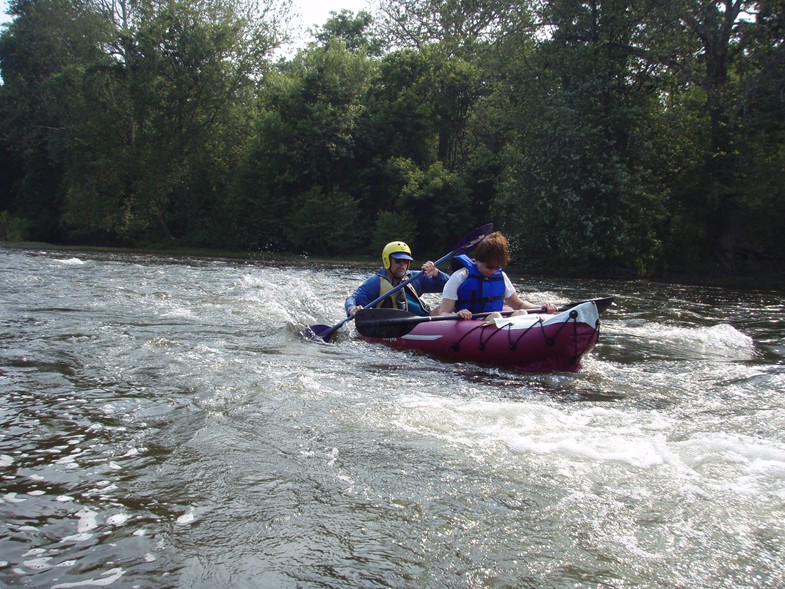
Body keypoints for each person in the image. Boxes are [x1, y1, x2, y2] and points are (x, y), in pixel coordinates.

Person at [431, 231, 557, 320]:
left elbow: (518, 305)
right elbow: (444, 312)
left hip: (496, 322)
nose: (492, 271)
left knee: (522, 312)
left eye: (497, 268)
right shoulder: (459, 277)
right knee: (495, 316)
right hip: (471, 323)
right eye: (489, 267)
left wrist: (541, 308)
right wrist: (459, 314)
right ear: (478, 260)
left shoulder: (501, 276)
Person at [345, 241, 449, 317]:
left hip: (423, 320)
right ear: (387, 261)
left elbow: (451, 288)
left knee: (448, 306)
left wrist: (437, 273)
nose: (402, 265)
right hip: (393, 326)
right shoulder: (376, 282)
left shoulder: (416, 278)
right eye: (399, 261)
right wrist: (352, 309)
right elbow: (352, 299)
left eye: (406, 261)